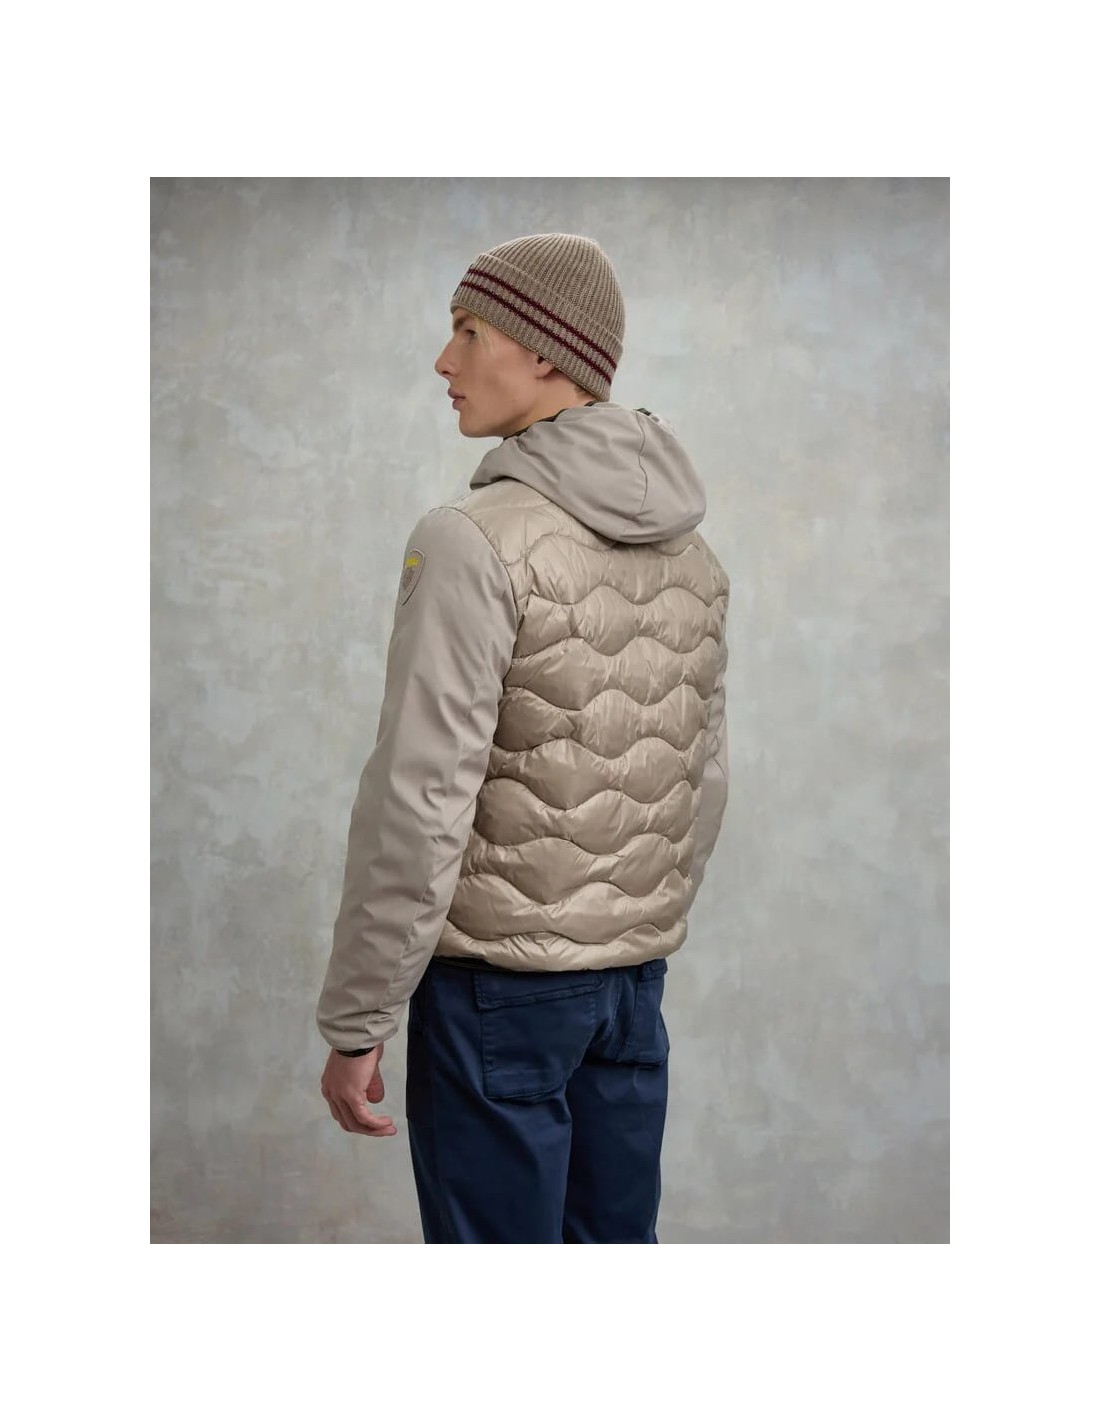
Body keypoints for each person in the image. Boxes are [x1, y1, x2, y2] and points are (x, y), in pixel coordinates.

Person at [317, 233, 730, 1244]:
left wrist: (358, 1018)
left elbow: (421, 799)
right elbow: (704, 782)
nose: (443, 360)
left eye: (468, 331)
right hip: (631, 990)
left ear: (545, 350)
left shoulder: (472, 540)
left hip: (495, 995)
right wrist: (623, 932)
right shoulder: (693, 554)